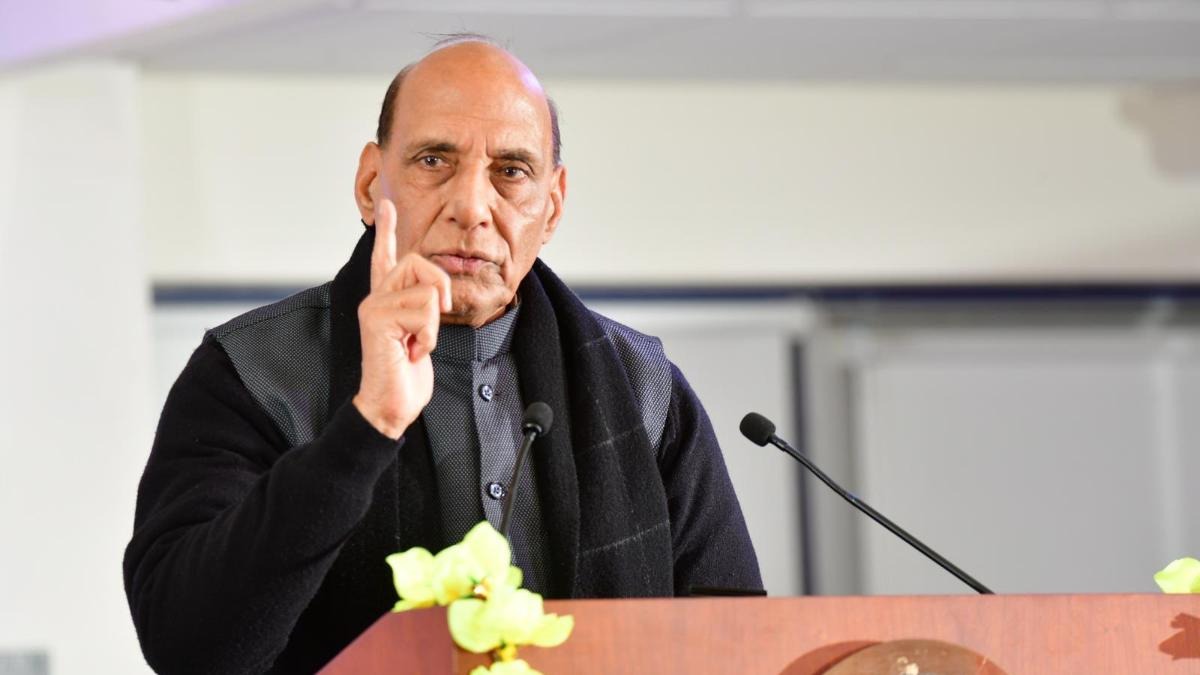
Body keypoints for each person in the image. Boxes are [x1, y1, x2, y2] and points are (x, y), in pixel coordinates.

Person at [124, 35, 761, 674]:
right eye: (434, 160)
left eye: (511, 171)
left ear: (552, 206)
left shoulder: (642, 386)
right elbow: (190, 647)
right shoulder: (254, 370)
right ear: (371, 184)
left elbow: (735, 640)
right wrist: (368, 426)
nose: (471, 208)